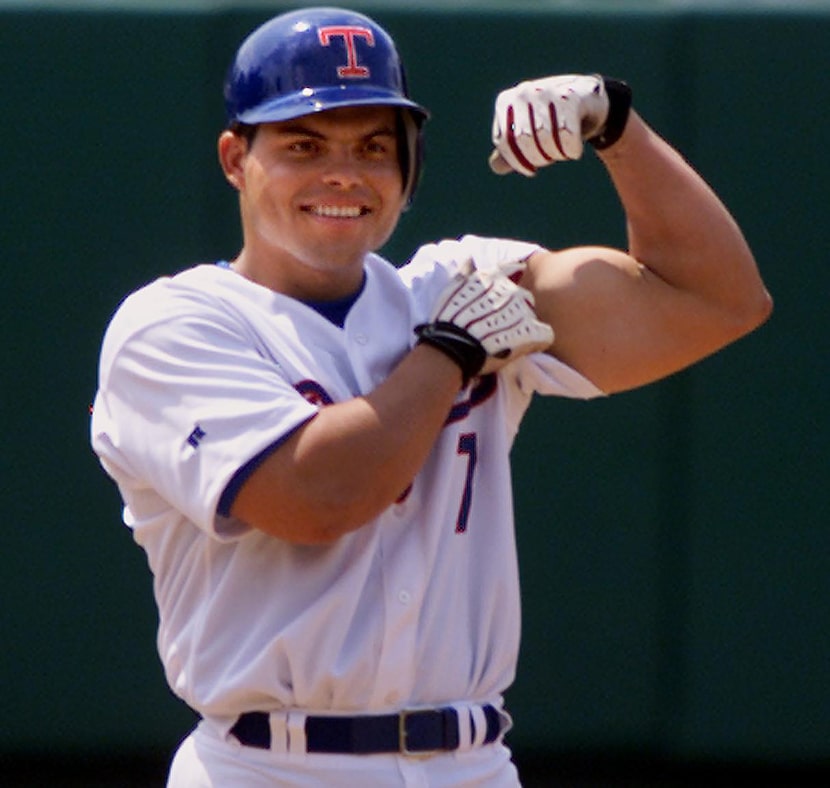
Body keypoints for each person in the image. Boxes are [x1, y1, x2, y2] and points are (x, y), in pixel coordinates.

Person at [90, 6, 771, 787]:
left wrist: (617, 127)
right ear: (235, 158)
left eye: (374, 145)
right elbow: (319, 497)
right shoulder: (172, 326)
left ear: (409, 163)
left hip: (473, 764)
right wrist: (447, 354)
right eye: (303, 145)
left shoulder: (459, 282)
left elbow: (717, 301)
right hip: (270, 765)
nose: (343, 173)